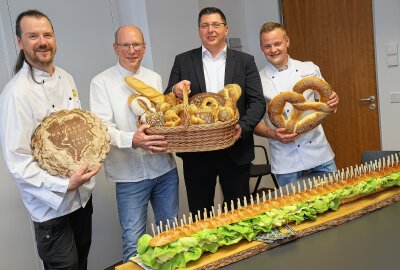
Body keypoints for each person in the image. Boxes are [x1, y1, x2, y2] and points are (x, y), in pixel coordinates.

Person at [0, 10, 101, 270]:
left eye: (47, 34)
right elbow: (18, 162)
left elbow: (77, 132)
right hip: (52, 211)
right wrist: (64, 184)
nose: (42, 41)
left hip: (82, 201)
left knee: (81, 265)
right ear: (20, 43)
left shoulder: (65, 77)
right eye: (33, 36)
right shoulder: (16, 93)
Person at [90, 25, 178, 262]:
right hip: (130, 177)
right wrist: (133, 139)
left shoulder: (154, 78)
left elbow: (163, 118)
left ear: (144, 47)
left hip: (164, 170)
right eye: (125, 45)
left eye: (136, 44)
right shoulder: (101, 83)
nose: (131, 50)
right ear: (115, 48)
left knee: (170, 236)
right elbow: (102, 129)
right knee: (134, 242)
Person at [166, 7, 266, 214]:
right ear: (199, 30)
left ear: (226, 29)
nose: (210, 30)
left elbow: (257, 102)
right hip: (196, 153)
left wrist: (244, 127)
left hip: (236, 149)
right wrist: (175, 90)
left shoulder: (245, 61)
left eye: (215, 25)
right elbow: (167, 99)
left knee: (239, 215)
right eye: (204, 25)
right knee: (201, 216)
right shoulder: (183, 60)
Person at [254, 22, 339, 187]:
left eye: (277, 43)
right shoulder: (257, 81)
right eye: (267, 46)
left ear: (287, 41)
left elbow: (326, 103)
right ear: (261, 48)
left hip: (319, 152)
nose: (273, 50)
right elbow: (253, 123)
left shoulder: (309, 68)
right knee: (293, 209)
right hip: (286, 160)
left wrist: (334, 101)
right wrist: (273, 134)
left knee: (334, 199)